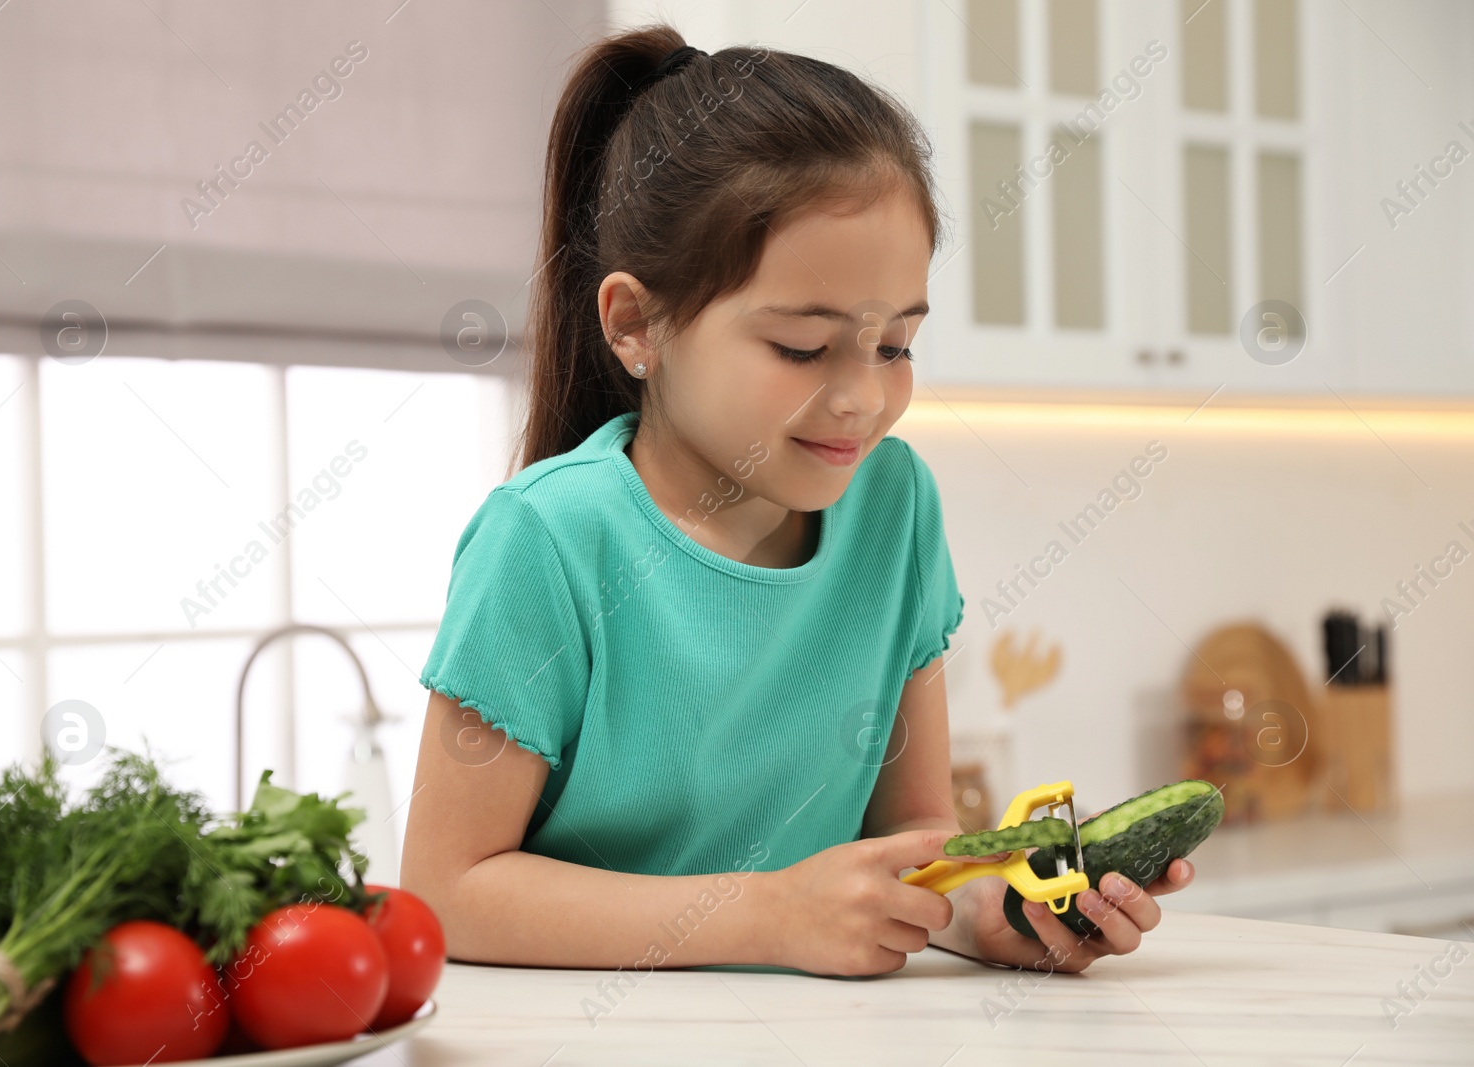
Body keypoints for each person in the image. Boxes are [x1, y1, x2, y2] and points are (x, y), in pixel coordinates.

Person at [400, 24, 1193, 977]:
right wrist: (767, 914)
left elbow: (912, 833)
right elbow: (447, 890)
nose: (863, 398)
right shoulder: (548, 540)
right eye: (803, 349)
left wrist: (985, 910)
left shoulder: (893, 508)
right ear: (637, 324)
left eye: (896, 345)